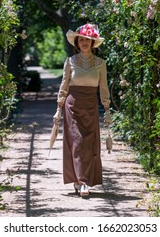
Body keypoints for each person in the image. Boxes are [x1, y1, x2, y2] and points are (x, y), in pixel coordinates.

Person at [53, 23, 111, 197]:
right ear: (77, 43)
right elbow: (64, 86)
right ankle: (82, 181)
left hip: (91, 106)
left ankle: (82, 180)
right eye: (82, 40)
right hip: (73, 106)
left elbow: (104, 88)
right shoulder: (70, 62)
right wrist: (59, 108)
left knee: (88, 144)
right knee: (77, 141)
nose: (85, 43)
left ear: (92, 43)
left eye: (88, 40)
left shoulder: (101, 64)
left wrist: (107, 110)